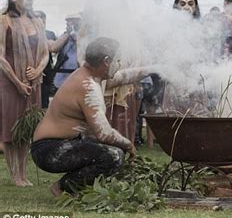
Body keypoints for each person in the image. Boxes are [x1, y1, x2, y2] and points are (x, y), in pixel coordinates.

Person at [31, 37, 157, 196]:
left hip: (61, 144)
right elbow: (104, 133)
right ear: (106, 61)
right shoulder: (87, 86)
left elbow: (124, 76)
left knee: (114, 150)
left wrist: (155, 68)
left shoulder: (93, 76)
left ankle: (75, 187)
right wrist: (129, 145)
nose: (119, 65)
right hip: (49, 151)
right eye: (117, 61)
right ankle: (63, 188)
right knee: (114, 155)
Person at [0, 0, 49, 186]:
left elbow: (46, 52)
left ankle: (23, 172)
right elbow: (0, 56)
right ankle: (15, 175)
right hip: (10, 81)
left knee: (27, 128)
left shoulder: (37, 20)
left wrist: (38, 70)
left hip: (32, 81)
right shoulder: (4, 20)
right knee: (12, 128)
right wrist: (17, 82)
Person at [53, 13, 82, 90]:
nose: (72, 24)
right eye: (69, 22)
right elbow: (54, 48)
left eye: (74, 22)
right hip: (62, 78)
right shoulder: (64, 36)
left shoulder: (84, 37)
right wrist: (68, 34)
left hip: (78, 77)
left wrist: (77, 35)